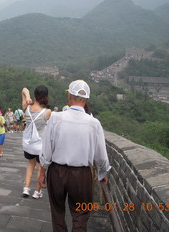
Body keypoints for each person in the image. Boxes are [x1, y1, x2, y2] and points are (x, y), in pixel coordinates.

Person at [38, 80, 111, 232]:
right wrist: (103, 172)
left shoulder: (56, 118)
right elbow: (101, 156)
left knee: (57, 212)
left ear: (69, 96)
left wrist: (42, 172)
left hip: (57, 172)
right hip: (82, 175)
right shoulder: (94, 123)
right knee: (81, 214)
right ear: (86, 100)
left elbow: (47, 150)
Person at [22, 86, 51, 199]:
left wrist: (28, 98)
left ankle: (26, 188)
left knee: (30, 164)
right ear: (46, 97)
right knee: (40, 167)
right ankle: (37, 192)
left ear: (35, 95)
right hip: (40, 146)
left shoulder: (27, 108)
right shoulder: (47, 112)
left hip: (29, 144)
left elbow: (24, 89)